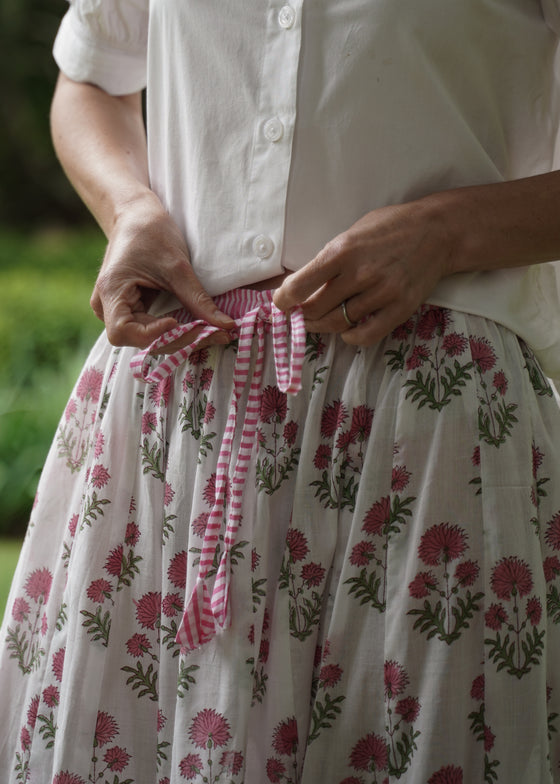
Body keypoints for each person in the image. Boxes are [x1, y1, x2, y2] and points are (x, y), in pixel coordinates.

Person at [2, 0, 560, 781]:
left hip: (427, 431)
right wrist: (128, 207)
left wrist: (446, 230)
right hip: (179, 416)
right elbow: (89, 80)